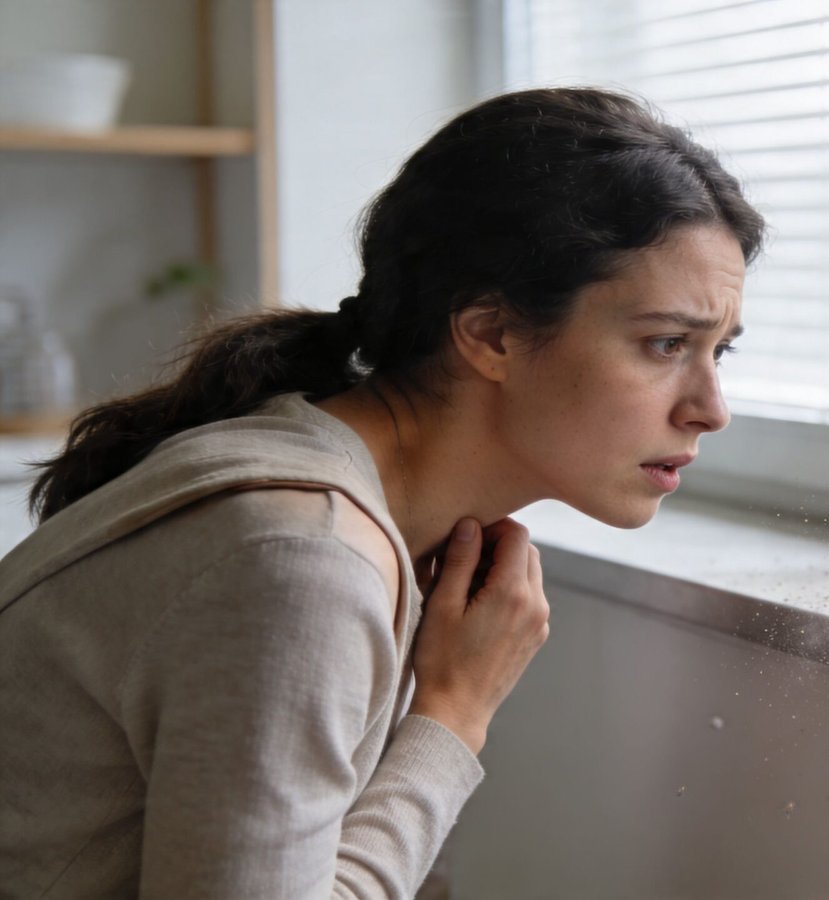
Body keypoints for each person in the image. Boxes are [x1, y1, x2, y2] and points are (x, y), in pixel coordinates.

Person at [0, 87, 764, 897]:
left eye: (721, 351)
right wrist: (452, 718)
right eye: (666, 343)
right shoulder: (300, 561)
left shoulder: (334, 502)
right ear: (491, 334)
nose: (710, 409)